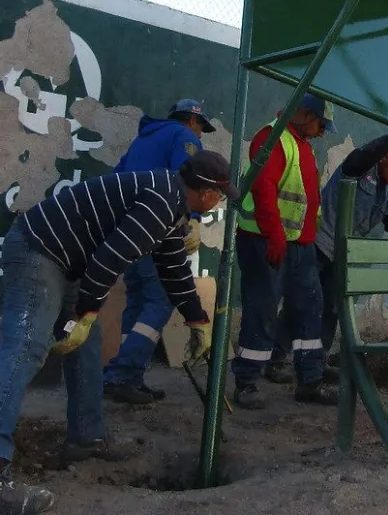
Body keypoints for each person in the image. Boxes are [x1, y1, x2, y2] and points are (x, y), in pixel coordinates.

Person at [0, 150, 235, 515]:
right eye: (220, 194)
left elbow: (173, 269)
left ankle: (87, 436)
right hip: (39, 250)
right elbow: (108, 260)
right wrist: (87, 312)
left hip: (65, 259)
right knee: (25, 347)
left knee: (86, 345)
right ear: (206, 192)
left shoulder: (171, 206)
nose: (220, 200)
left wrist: (197, 319)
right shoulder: (161, 201)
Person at [266, 130, 388, 384]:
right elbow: (364, 153)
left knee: (332, 309)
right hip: (318, 244)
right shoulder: (356, 169)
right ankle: (275, 360)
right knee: (300, 303)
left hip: (341, 256)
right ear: (382, 160)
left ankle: (316, 364)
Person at [103, 99, 215, 404]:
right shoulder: (185, 137)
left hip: (130, 231)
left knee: (138, 302)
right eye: (202, 127)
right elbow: (188, 178)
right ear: (193, 120)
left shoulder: (143, 139)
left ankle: (127, 377)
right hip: (159, 228)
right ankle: (123, 373)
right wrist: (190, 220)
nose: (201, 135)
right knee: (161, 300)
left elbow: (118, 176)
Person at [231, 93, 339, 410]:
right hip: (265, 241)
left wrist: (302, 239)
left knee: (309, 308)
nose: (322, 133)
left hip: (298, 245)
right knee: (261, 309)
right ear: (305, 114)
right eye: (321, 124)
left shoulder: (300, 144)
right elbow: (263, 188)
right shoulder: (273, 137)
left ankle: (309, 380)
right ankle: (247, 382)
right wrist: (276, 236)